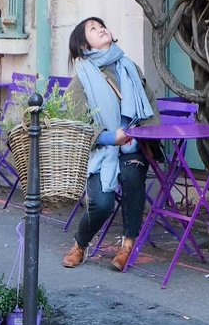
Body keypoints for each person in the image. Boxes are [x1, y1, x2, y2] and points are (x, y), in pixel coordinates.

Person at [62, 17, 159, 272]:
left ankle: (128, 245)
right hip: (101, 150)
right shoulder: (82, 77)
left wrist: (143, 133)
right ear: (83, 46)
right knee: (102, 203)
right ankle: (80, 243)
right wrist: (109, 138)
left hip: (133, 146)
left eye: (102, 25)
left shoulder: (129, 67)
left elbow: (149, 106)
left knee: (132, 176)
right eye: (93, 29)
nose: (101, 28)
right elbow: (75, 123)